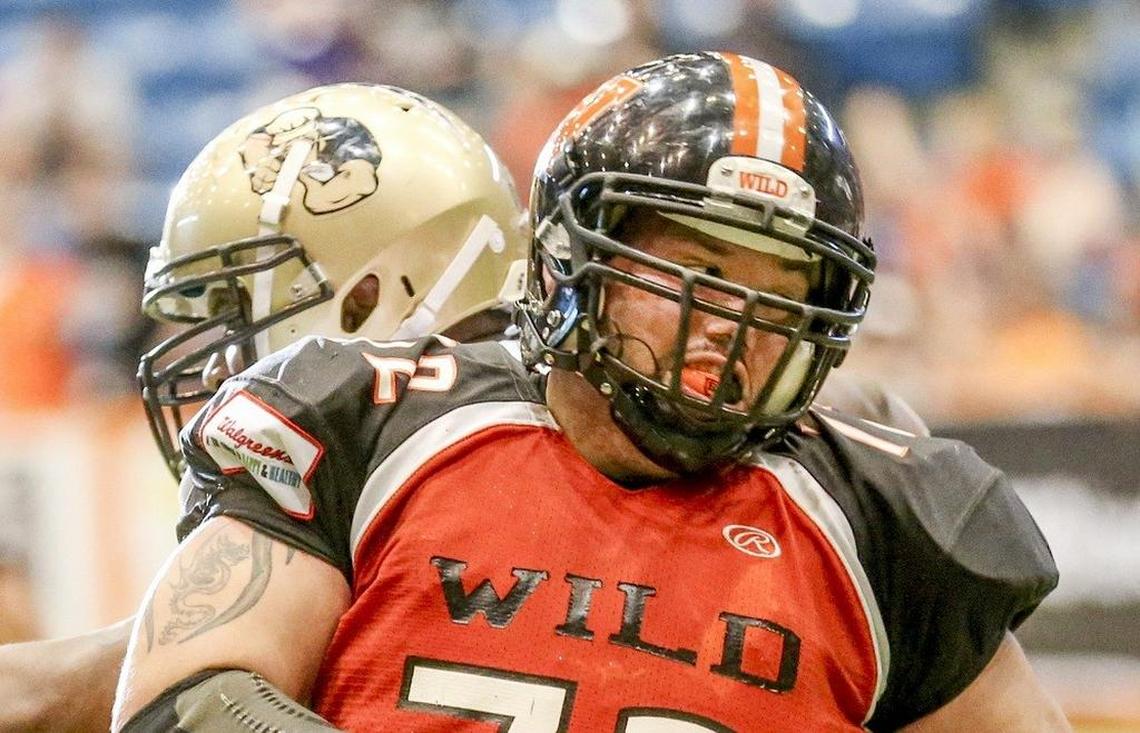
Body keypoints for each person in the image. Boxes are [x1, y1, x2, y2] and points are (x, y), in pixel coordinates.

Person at [107, 53, 1067, 732]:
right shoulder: (371, 414)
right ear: (572, 263)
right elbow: (188, 698)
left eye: (779, 296)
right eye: (696, 267)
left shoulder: (885, 520)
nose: (730, 325)